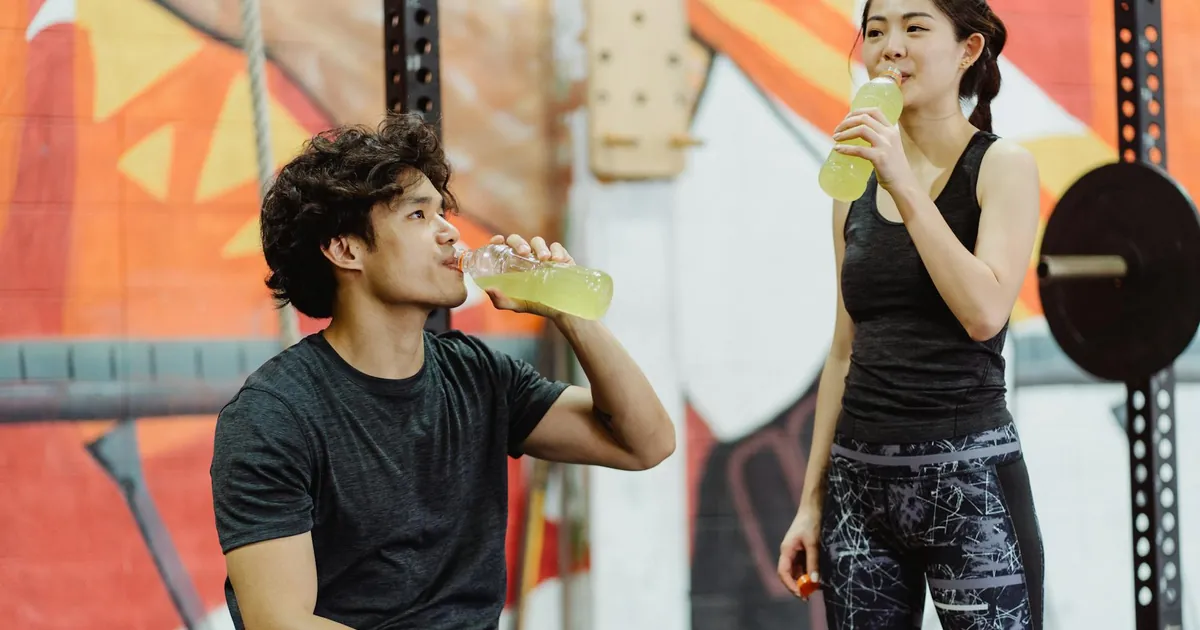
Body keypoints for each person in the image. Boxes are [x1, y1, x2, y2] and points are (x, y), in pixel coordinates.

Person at [209, 111, 676, 630]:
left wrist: (567, 310)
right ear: (346, 249)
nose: (450, 232)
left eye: (443, 213)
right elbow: (280, 623)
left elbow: (646, 443)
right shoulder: (274, 417)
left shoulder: (476, 375)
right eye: (418, 216)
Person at [776, 0, 1044, 628]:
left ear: (967, 51)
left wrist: (903, 181)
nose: (890, 46)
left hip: (968, 484)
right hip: (858, 491)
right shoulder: (852, 187)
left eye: (915, 28)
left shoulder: (1002, 166)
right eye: (875, 32)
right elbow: (844, 349)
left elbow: (983, 313)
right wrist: (811, 502)